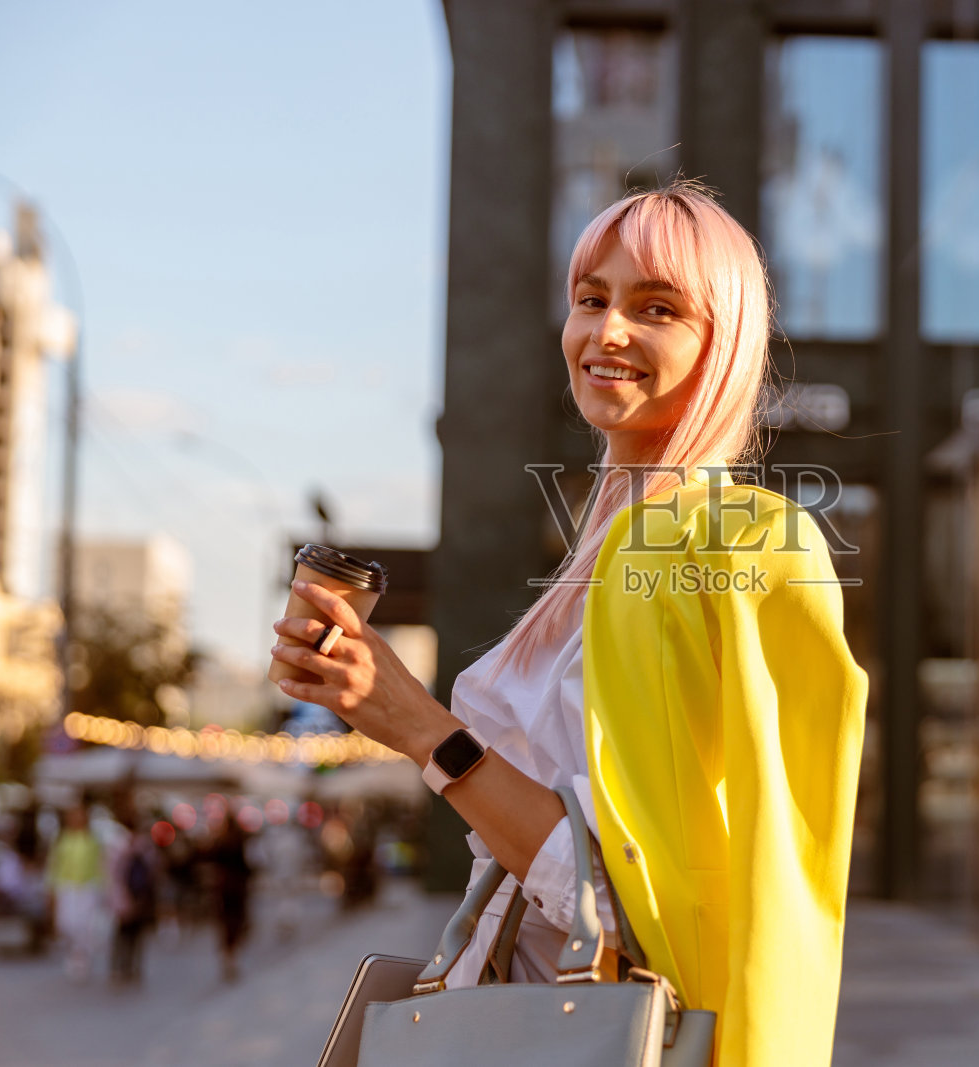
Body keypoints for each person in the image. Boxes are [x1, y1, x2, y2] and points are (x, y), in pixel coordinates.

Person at [270, 181, 867, 1066]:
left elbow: (642, 898)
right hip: (517, 1017)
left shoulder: (747, 542)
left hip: (604, 1033)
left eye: (656, 307)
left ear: (721, 344)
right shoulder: (604, 553)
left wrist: (422, 729)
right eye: (591, 299)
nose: (608, 331)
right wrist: (371, 695)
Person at [45, 802, 105, 982]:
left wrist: (102, 888)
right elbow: (54, 865)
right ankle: (76, 951)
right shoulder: (62, 838)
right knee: (67, 923)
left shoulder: (92, 839)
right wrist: (52, 888)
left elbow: (100, 864)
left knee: (84, 924)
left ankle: (80, 957)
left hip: (87, 886)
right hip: (67, 885)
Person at [108, 817, 160, 983]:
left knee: (130, 933)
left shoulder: (138, 848)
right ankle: (125, 966)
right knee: (128, 933)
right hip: (131, 896)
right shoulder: (138, 848)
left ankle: (125, 966)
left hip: (133, 896)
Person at [202, 814, 252, 982]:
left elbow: (207, 857)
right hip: (236, 889)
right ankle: (231, 955)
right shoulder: (238, 841)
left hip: (225, 889)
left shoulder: (221, 842)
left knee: (226, 924)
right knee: (234, 923)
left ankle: (228, 955)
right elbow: (246, 866)